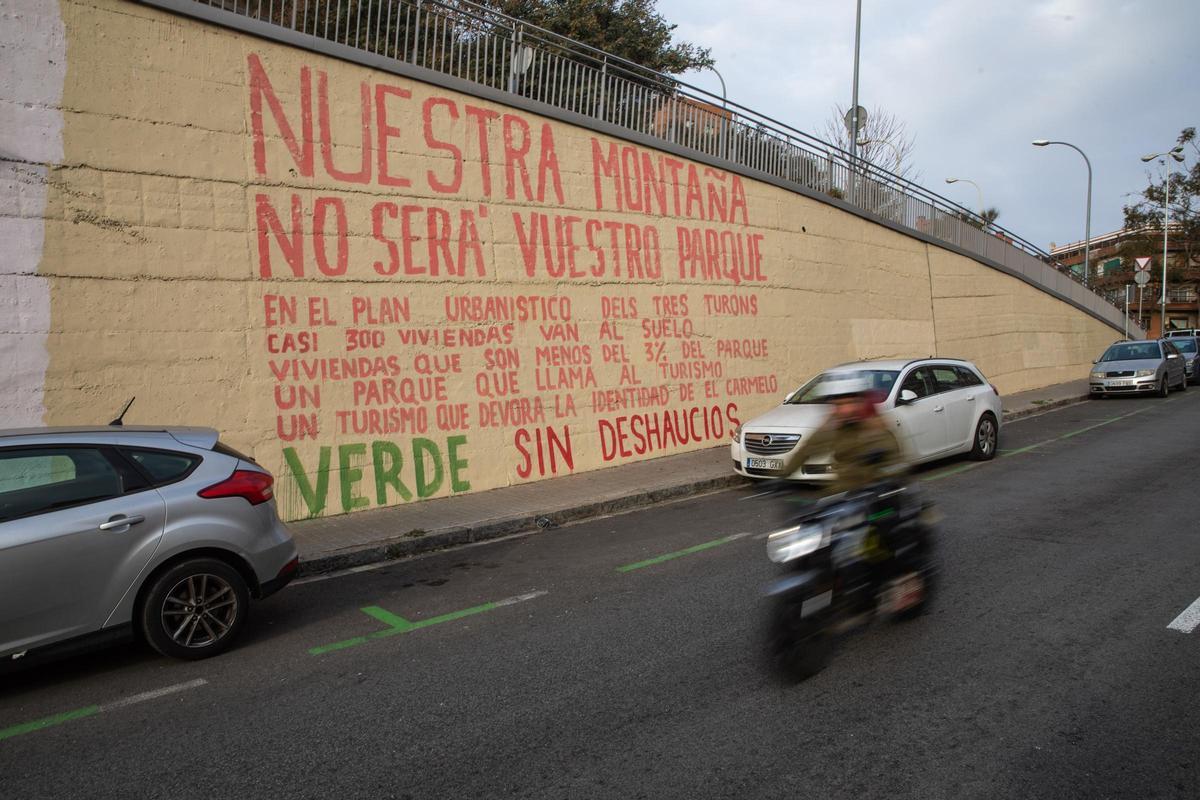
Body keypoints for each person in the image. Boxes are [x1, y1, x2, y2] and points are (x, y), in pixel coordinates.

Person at [771, 371, 908, 493]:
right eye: (839, 404)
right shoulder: (833, 425)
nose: (844, 410)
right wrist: (783, 477)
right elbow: (807, 449)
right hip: (846, 490)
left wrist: (882, 468)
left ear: (859, 402)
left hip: (878, 490)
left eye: (849, 403)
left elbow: (894, 459)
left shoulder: (873, 425)